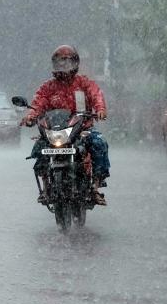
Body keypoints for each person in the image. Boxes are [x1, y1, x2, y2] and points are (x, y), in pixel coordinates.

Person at [21, 45, 111, 205]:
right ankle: (46, 187)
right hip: (56, 131)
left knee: (99, 144)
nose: (64, 67)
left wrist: (100, 109)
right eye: (60, 63)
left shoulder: (84, 83)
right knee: (39, 148)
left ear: (75, 63)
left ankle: (95, 187)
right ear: (54, 64)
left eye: (67, 62)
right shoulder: (48, 87)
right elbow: (38, 104)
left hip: (82, 128)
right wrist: (30, 116)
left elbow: (96, 94)